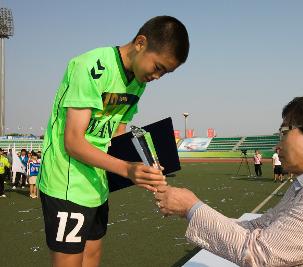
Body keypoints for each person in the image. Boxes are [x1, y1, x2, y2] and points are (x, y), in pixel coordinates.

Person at [155, 92, 303, 266]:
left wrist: (191, 208)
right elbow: (261, 225)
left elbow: (259, 254)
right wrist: (190, 210)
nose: (278, 145)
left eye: (284, 132)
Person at [37, 16, 189, 267]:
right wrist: (127, 169)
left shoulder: (138, 83)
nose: (158, 77)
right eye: (158, 67)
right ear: (141, 43)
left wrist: (145, 167)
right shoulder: (90, 66)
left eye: (166, 73)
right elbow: (73, 142)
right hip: (66, 181)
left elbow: (116, 134)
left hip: (97, 183)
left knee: (93, 257)